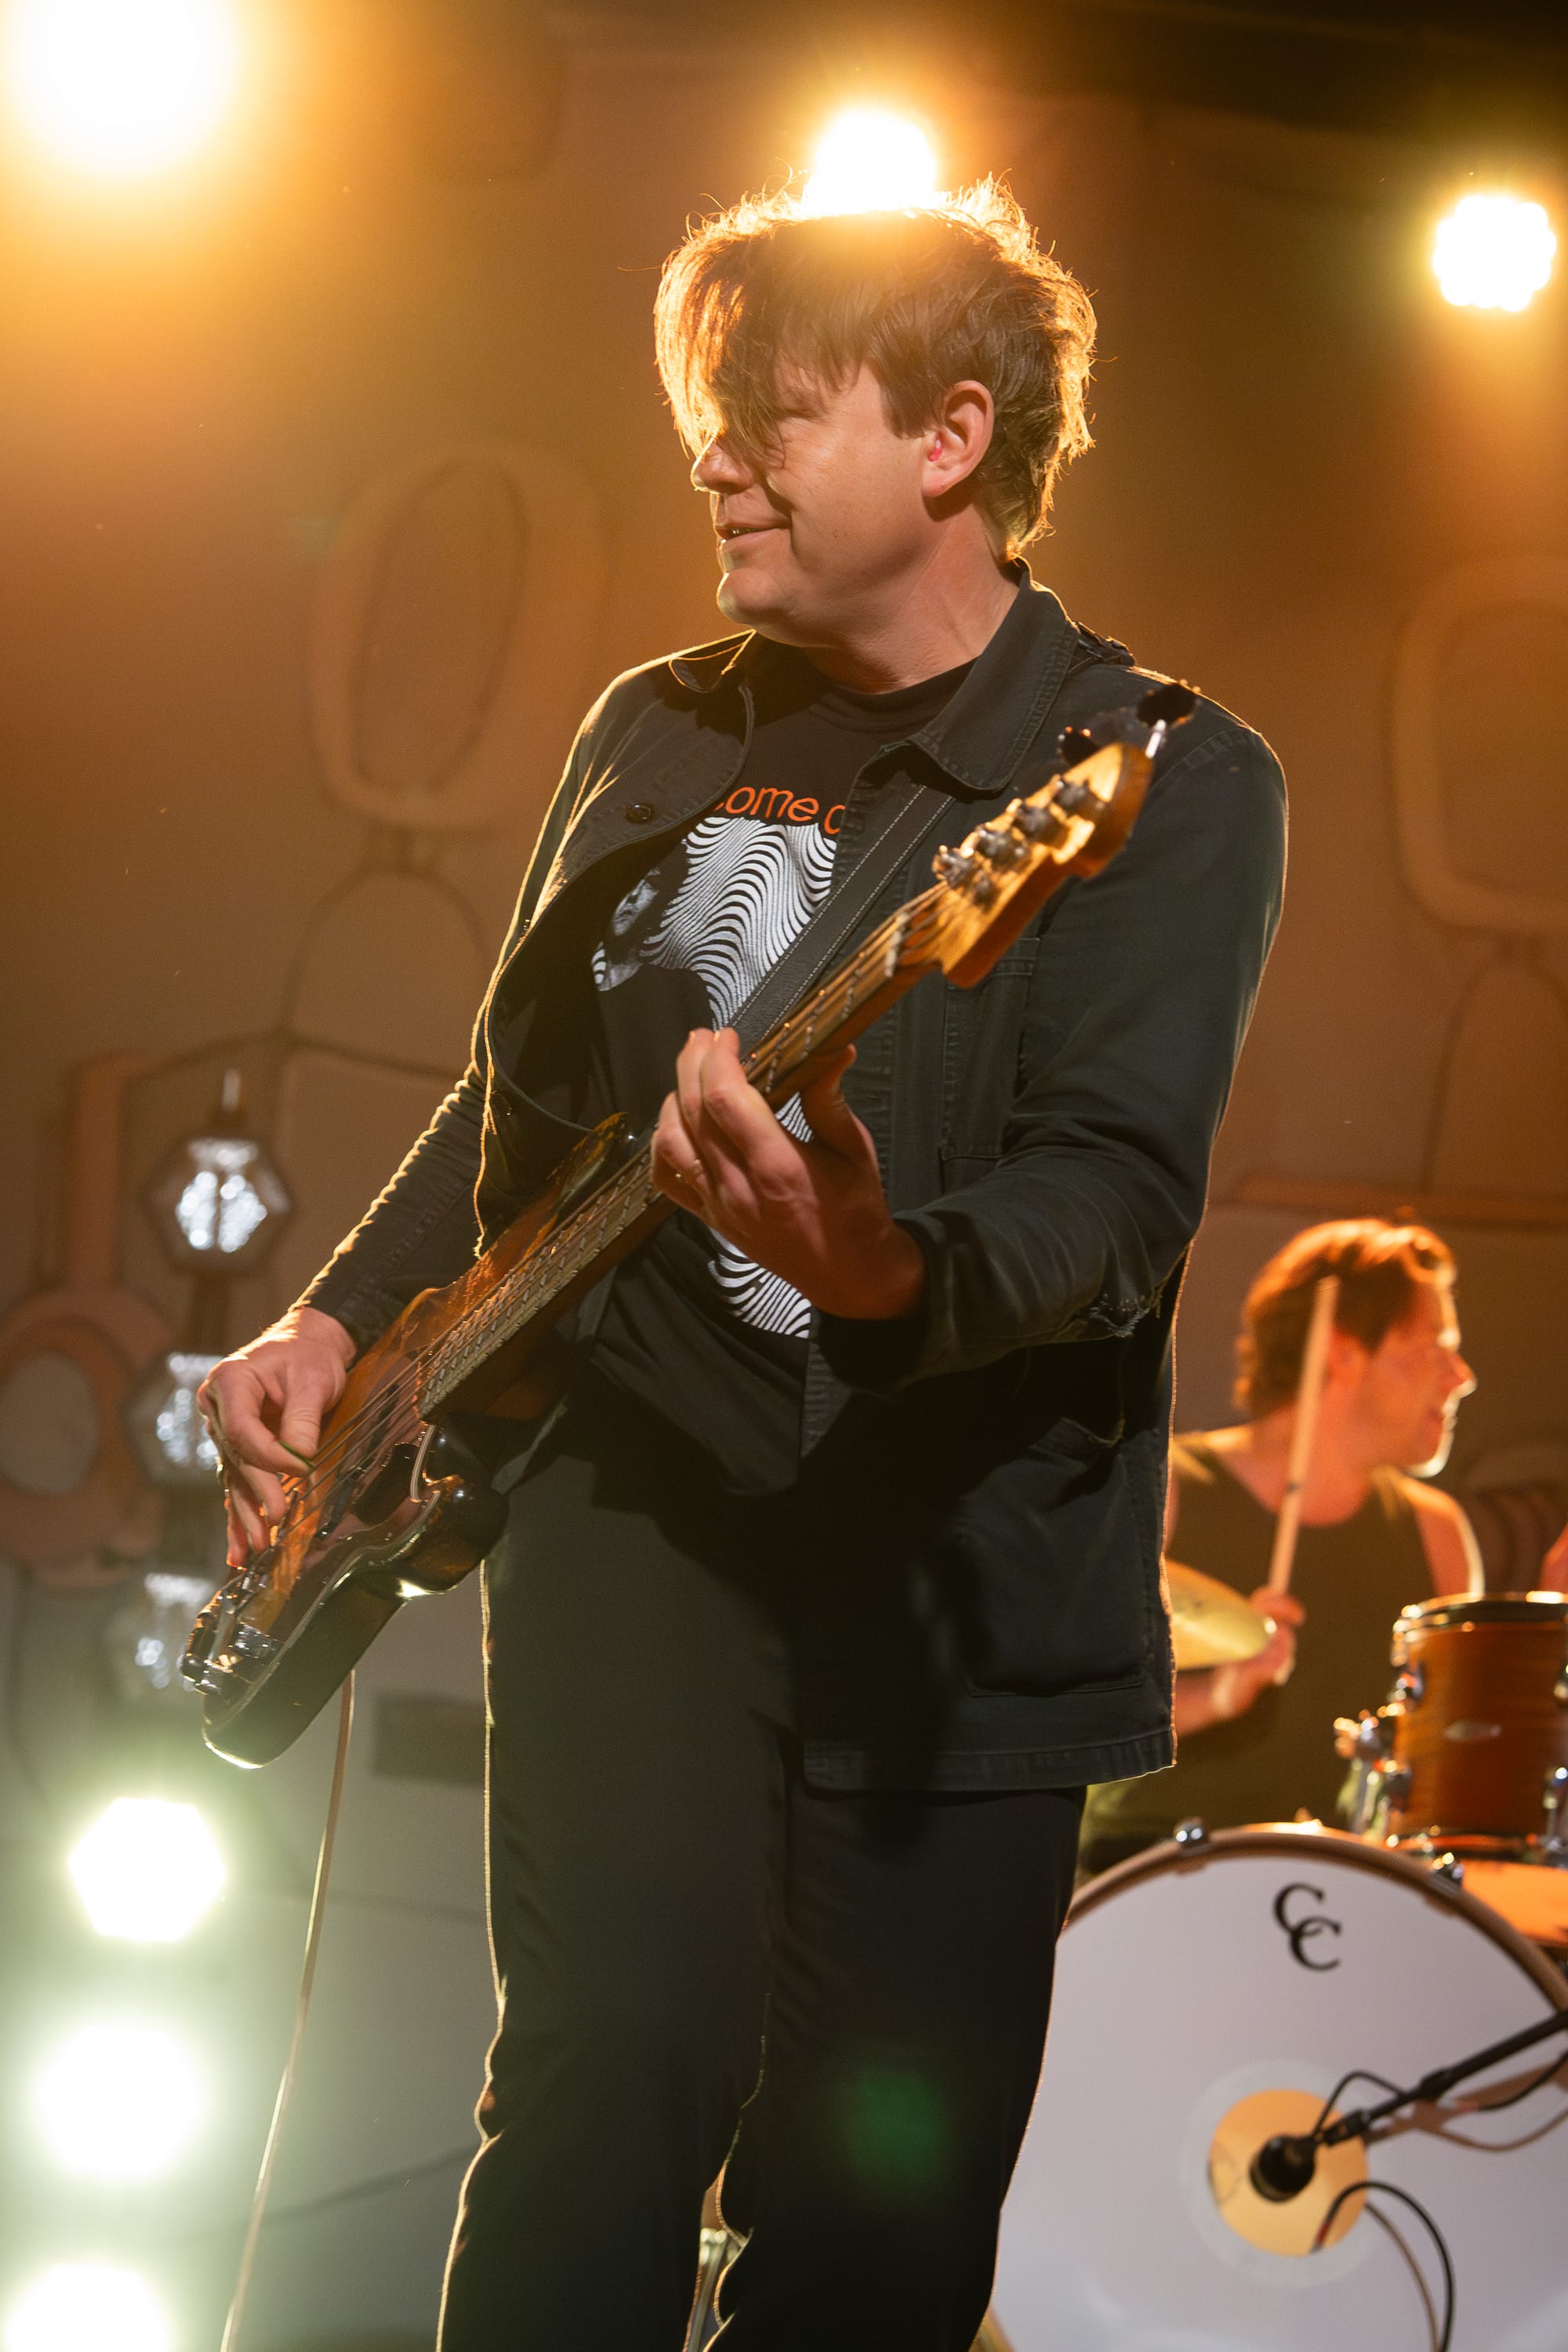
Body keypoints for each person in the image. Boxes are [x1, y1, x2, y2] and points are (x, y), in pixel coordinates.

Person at [199, 184, 1285, 2351]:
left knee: (880, 2211)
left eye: (775, 413)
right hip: (638, 1511)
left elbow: (1108, 1201)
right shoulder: (656, 725)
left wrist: (873, 1264)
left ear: (953, 439)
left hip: (959, 1573)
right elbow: (518, 1111)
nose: (714, 457)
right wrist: (336, 1313)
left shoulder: (1157, 777)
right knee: (604, 2078)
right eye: (712, 413)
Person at [1080, 1219, 1481, 1874]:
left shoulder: (1437, 1534)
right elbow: (1066, 1717)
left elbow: (1464, 1763)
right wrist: (1215, 1697)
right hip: (1151, 1878)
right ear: (1341, 1351)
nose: (1460, 1377)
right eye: (1435, 1346)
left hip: (1350, 1891)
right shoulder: (1164, 1490)